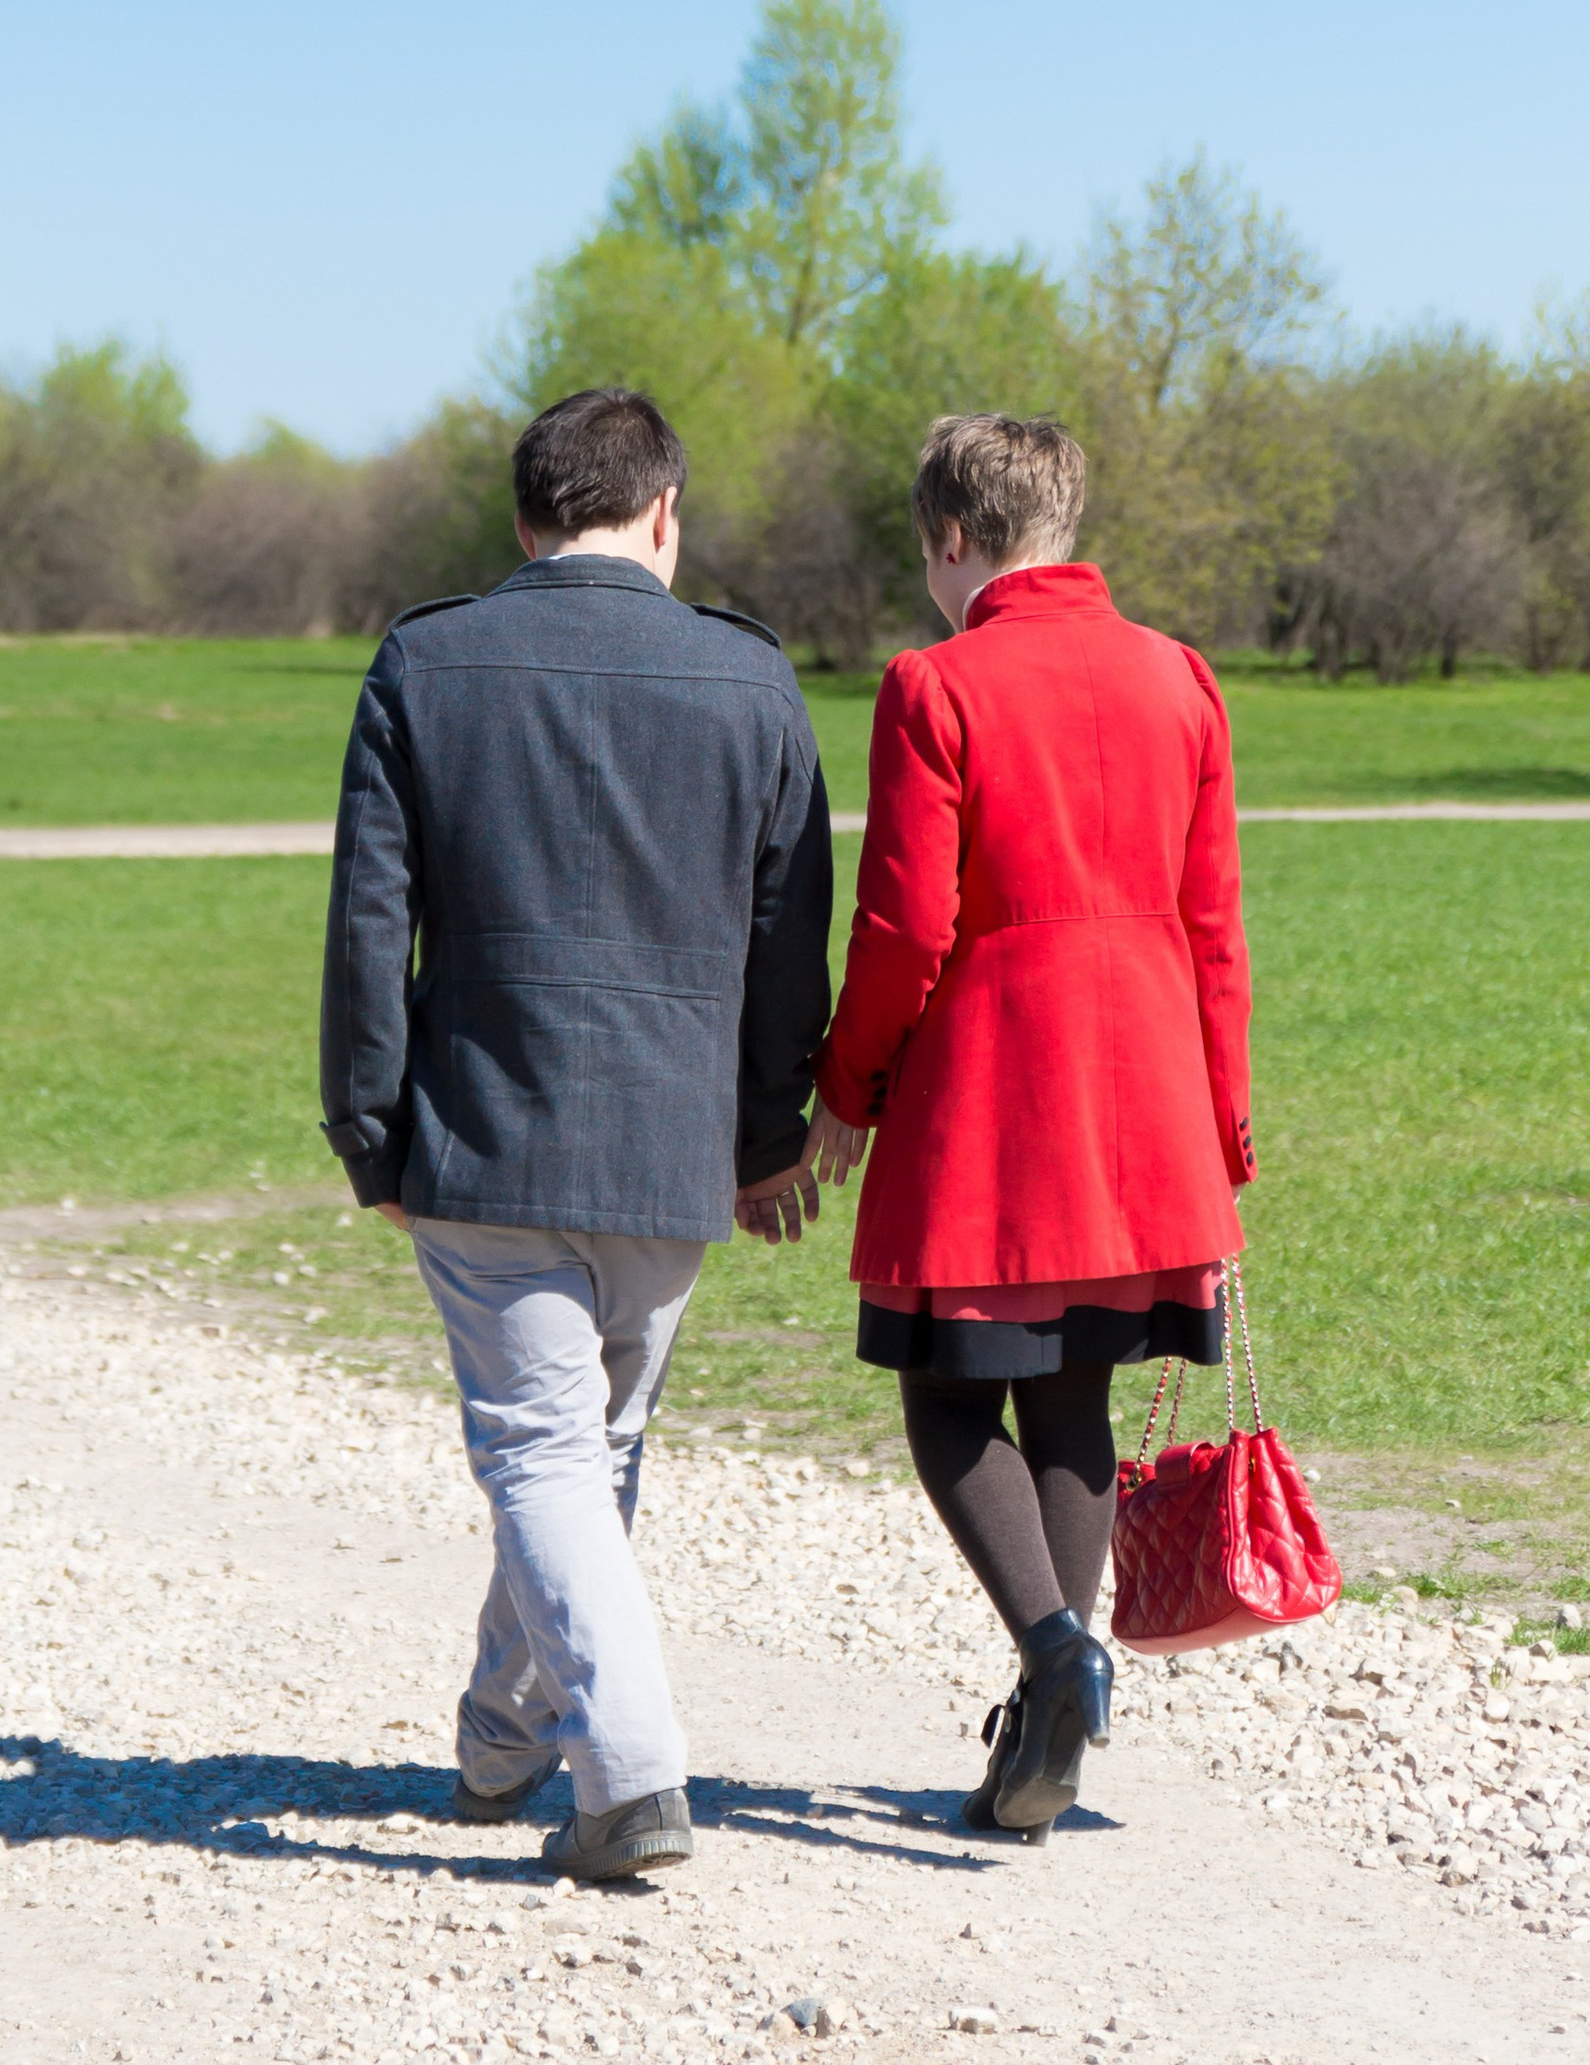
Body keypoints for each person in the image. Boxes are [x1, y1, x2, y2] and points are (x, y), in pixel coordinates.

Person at [319, 386, 833, 1884]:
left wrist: (372, 1126)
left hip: (486, 1126)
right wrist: (762, 1135)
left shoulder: (428, 656)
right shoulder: (753, 681)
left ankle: (630, 1781)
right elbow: (785, 939)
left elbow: (369, 917)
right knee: (580, 1456)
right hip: (671, 1149)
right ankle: (500, 1738)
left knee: (548, 1455)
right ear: (664, 514)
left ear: (525, 521)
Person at [805, 412, 1255, 1844]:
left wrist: (843, 1091)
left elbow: (901, 926)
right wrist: (1225, 1134)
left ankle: (1059, 1653)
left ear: (953, 538)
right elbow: (1217, 932)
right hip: (1151, 1107)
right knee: (1074, 1399)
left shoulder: (934, 681)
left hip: (996, 1099)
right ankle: (1044, 1727)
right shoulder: (1182, 679)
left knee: (945, 1395)